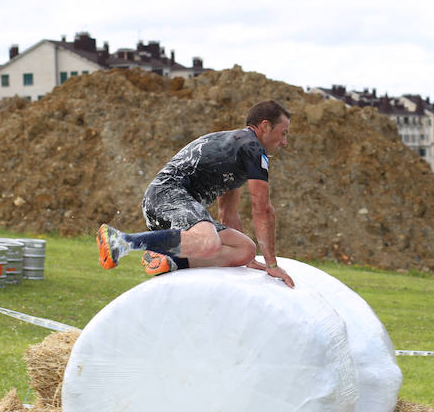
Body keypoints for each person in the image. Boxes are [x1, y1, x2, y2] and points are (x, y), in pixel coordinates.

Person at [97, 99, 295, 288]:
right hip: (166, 196)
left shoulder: (236, 151)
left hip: (170, 205)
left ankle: (171, 260)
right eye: (283, 133)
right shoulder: (252, 148)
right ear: (266, 126)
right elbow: (263, 209)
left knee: (244, 249)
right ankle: (122, 241)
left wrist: (250, 261)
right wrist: (272, 265)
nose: (284, 142)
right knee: (209, 242)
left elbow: (228, 212)